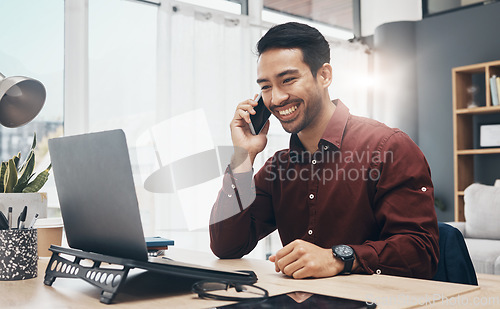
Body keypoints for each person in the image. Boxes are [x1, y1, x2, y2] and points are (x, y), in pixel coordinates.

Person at [209, 22, 439, 280]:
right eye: (266, 86)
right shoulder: (279, 167)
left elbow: (421, 253)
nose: (275, 99)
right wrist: (242, 156)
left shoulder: (388, 147)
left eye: (288, 80)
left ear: (325, 75)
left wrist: (339, 258)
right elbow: (226, 246)